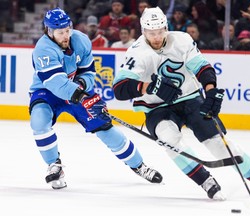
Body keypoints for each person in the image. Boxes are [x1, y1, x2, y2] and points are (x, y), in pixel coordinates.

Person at [112, 7, 250, 200]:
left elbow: (202, 67)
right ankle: (205, 180)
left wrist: (210, 91)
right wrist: (149, 87)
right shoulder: (137, 52)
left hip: (190, 99)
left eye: (160, 32)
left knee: (218, 144)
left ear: (166, 27)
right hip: (156, 109)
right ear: (143, 31)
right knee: (169, 140)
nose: (156, 37)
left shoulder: (182, 40)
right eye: (151, 33)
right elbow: (120, 89)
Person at [29, 7, 163, 190]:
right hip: (47, 92)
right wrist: (81, 95)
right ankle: (54, 165)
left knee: (105, 128)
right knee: (39, 121)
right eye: (60, 32)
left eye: (67, 30)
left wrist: (83, 87)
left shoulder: (81, 40)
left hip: (75, 89)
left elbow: (89, 72)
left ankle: (139, 165)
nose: (66, 35)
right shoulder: (43, 49)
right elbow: (56, 83)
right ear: (49, 31)